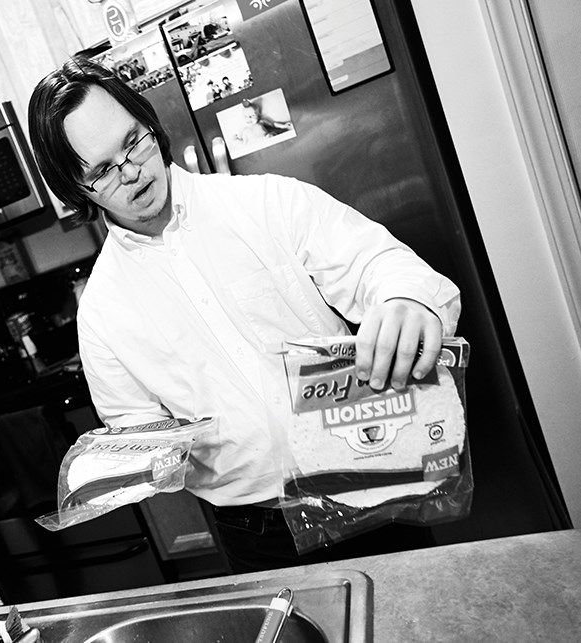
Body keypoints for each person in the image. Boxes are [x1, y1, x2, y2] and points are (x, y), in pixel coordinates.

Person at [27, 58, 461, 573]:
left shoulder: (265, 201)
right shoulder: (101, 312)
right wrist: (148, 457)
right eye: (102, 170)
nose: (132, 171)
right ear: (75, 189)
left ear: (150, 124)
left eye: (133, 142)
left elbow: (378, 264)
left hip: (365, 475)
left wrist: (403, 299)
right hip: (259, 535)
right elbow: (136, 427)